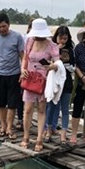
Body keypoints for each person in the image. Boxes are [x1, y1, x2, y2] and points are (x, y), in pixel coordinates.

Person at [19, 18, 59, 152]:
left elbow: (58, 64)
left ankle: (39, 138)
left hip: (43, 79)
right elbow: (25, 57)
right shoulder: (29, 41)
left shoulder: (52, 45)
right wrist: (22, 70)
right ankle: (26, 135)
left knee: (41, 109)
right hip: (29, 77)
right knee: (28, 108)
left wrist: (51, 66)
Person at [0, 13, 25, 139]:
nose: (2, 29)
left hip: (14, 73)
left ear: (9, 24)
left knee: (12, 103)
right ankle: (2, 125)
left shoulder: (17, 37)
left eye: (4, 26)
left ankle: (9, 127)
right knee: (0, 102)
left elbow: (22, 55)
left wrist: (23, 70)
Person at [45, 26, 75, 144]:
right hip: (54, 82)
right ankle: (48, 130)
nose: (62, 41)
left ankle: (63, 133)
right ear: (56, 37)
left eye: (65, 38)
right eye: (60, 38)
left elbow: (73, 66)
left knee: (65, 109)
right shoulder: (51, 48)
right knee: (51, 106)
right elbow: (47, 62)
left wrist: (62, 64)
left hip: (66, 82)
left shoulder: (70, 49)